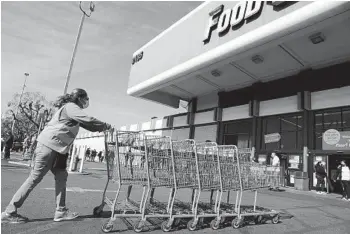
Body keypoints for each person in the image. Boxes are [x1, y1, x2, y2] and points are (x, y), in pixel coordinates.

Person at [1, 88, 111, 224]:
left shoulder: (72, 111)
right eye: (86, 99)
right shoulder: (71, 107)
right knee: (35, 178)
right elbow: (88, 120)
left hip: (59, 150)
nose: (86, 102)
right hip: (49, 146)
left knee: (61, 177)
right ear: (80, 98)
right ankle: (9, 212)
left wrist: (102, 128)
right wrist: (108, 126)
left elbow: (89, 125)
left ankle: (61, 211)